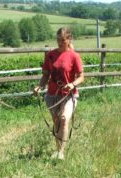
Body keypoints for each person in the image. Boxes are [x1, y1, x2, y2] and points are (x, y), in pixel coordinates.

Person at [34, 27, 84, 160]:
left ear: (69, 39)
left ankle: (61, 152)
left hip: (69, 95)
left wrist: (72, 84)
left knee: (63, 119)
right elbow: (45, 75)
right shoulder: (50, 55)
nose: (59, 42)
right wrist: (39, 86)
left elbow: (81, 76)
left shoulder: (74, 56)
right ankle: (58, 149)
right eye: (58, 40)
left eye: (62, 40)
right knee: (56, 121)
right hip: (52, 94)